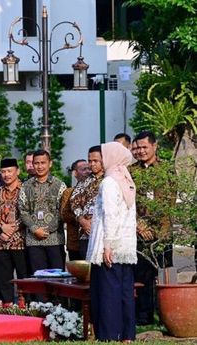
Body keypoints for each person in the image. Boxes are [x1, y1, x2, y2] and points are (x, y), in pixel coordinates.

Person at [87, 141, 137, 342]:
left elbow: (110, 214)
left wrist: (108, 245)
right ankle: (127, 334)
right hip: (125, 245)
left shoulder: (109, 182)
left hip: (110, 245)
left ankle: (110, 334)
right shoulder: (126, 179)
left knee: (108, 292)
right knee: (125, 291)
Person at [130, 130, 173, 326]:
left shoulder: (167, 169)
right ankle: (144, 317)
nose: (140, 151)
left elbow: (168, 202)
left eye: (144, 147)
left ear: (155, 146)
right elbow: (128, 201)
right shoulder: (130, 171)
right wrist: (140, 225)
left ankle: (166, 315)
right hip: (138, 232)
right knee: (142, 277)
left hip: (162, 233)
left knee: (164, 275)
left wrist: (153, 228)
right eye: (137, 147)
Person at [19, 150, 67, 274]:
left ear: (50, 163)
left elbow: (62, 211)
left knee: (57, 279)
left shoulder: (59, 185)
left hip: (55, 240)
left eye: (43, 163)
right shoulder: (26, 186)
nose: (39, 166)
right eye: (36, 163)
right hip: (33, 240)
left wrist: (46, 230)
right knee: (38, 278)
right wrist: (35, 229)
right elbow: (23, 210)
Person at [0, 158, 28, 304]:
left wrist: (12, 228)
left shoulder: (25, 190)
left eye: (9, 171)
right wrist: (2, 227)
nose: (6, 175)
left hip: (20, 242)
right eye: (3, 172)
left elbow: (29, 214)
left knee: (23, 275)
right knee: (4, 276)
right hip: (1, 242)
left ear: (17, 171)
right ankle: (7, 304)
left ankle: (25, 304)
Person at [71, 146, 105, 259]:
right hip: (85, 233)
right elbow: (74, 202)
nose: (92, 164)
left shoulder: (110, 178)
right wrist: (82, 221)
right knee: (88, 271)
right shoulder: (84, 180)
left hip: (104, 233)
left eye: (95, 161)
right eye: (90, 161)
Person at [60, 159, 89, 261]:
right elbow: (64, 215)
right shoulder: (68, 192)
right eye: (84, 169)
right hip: (75, 242)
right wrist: (82, 218)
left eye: (89, 168)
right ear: (75, 173)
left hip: (91, 240)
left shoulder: (95, 189)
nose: (88, 171)